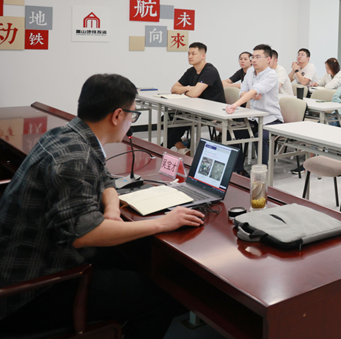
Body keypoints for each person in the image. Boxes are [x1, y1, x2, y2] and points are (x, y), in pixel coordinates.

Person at [0, 74, 204, 338]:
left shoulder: (68, 135)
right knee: (164, 297)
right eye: (133, 115)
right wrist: (162, 223)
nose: (131, 122)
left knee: (135, 262)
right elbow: (84, 234)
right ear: (117, 115)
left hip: (42, 255)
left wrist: (111, 209)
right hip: (32, 289)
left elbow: (105, 178)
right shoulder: (75, 156)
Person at [225, 44, 283, 173]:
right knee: (232, 133)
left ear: (268, 59)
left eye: (257, 57)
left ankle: (263, 173)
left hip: (271, 119)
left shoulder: (271, 75)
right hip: (254, 118)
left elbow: (255, 90)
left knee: (260, 137)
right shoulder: (250, 71)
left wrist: (235, 105)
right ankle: (239, 170)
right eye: (253, 57)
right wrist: (250, 94)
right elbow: (242, 91)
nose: (254, 60)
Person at [168, 42, 226, 150]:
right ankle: (181, 149)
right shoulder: (191, 71)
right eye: (188, 54)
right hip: (196, 109)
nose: (190, 56)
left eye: (193, 54)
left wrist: (188, 91)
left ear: (203, 56)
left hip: (212, 111)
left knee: (180, 121)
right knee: (166, 118)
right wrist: (188, 88)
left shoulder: (210, 71)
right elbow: (174, 89)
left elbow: (194, 94)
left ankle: (161, 149)